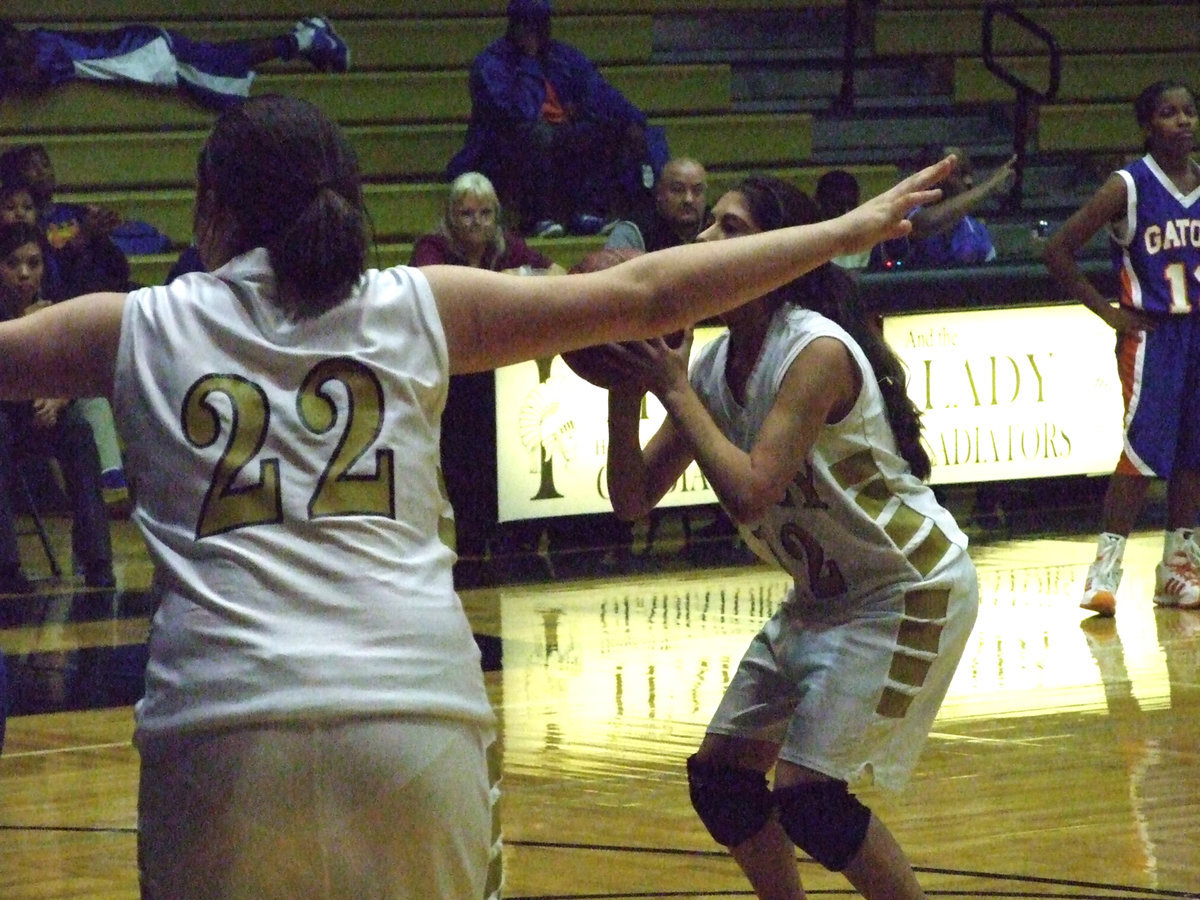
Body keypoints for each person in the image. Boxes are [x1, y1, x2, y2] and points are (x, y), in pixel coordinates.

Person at [0, 92, 951, 898]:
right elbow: (650, 293)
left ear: (210, 209)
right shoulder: (416, 301)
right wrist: (847, 231)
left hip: (217, 727)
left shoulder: (135, 325)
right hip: (414, 718)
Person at [602, 175, 979, 900]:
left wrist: (672, 388)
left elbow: (752, 491)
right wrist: (625, 390)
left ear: (779, 252)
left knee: (811, 799)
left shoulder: (814, 350)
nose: (705, 241)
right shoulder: (716, 364)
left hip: (905, 589)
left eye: (730, 228)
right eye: (708, 225)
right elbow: (631, 501)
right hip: (823, 597)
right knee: (721, 781)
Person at [1044, 79, 1200, 617]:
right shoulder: (1128, 185)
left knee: (1193, 454)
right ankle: (1103, 575)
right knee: (1140, 454)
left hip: (1197, 332)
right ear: (1147, 125)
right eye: (1168, 113)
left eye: (1188, 111)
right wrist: (1109, 313)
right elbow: (1057, 250)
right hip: (1154, 336)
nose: (1182, 121)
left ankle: (1178, 570)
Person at [409, 171, 564, 579]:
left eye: (485, 213)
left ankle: (512, 549)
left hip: (499, 376)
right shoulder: (432, 247)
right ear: (450, 216)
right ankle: (471, 553)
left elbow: (559, 274)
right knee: (463, 469)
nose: (476, 222)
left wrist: (518, 279)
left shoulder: (505, 246)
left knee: (505, 465)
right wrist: (503, 284)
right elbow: (431, 293)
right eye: (466, 214)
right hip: (451, 378)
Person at [445, 0, 667, 238]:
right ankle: (537, 218)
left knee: (609, 130)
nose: (534, 32)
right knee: (537, 135)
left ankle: (587, 213)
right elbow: (517, 112)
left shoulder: (562, 56)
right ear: (514, 26)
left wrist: (634, 120)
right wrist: (529, 60)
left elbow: (600, 93)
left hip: (561, 136)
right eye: (527, 26)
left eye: (540, 25)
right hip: (503, 149)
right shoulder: (491, 63)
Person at [0, 221, 113, 594]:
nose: (24, 273)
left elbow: (77, 372)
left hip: (39, 418)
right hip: (5, 419)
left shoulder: (55, 305)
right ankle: (6, 565)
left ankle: (96, 559)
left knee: (78, 429)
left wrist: (58, 398)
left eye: (33, 264)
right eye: (13, 264)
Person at [0, 16, 347, 110]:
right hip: (142, 53)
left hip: (145, 55)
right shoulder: (35, 44)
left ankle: (306, 38)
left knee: (222, 84)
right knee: (220, 63)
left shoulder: (39, 45)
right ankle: (304, 40)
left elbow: (32, 77)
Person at [0, 144, 130, 299]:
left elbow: (120, 270)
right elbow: (50, 282)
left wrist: (101, 237)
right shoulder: (23, 225)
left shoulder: (77, 213)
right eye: (32, 166)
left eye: (45, 164)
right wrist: (82, 238)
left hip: (101, 291)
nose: (42, 171)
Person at [871, 145, 1015, 270]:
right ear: (932, 176)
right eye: (959, 173)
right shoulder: (903, 213)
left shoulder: (977, 230)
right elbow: (924, 225)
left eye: (969, 173)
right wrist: (989, 186)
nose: (969, 181)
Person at [606, 156, 710, 253]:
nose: (688, 199)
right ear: (659, 193)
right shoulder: (633, 232)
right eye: (678, 190)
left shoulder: (715, 225)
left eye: (697, 190)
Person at [816, 169, 871, 269]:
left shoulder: (868, 235)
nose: (846, 211)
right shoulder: (809, 239)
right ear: (820, 203)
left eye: (851, 204)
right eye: (838, 204)